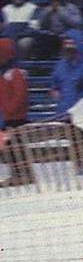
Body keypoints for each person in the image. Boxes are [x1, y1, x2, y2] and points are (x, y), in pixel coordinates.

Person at [0, 39, 32, 187]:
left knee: (17, 147)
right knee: (11, 148)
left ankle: (23, 174)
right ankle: (18, 174)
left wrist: (9, 110)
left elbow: (20, 95)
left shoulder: (15, 72)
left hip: (16, 118)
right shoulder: (4, 72)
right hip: (8, 117)